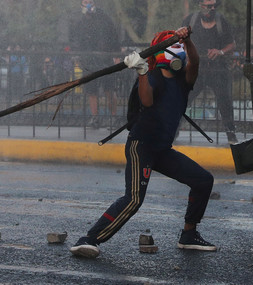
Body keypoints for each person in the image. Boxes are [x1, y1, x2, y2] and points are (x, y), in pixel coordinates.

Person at [70, 26, 217, 258]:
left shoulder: (183, 80)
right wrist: (141, 71)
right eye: (173, 45)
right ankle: (89, 239)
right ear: (159, 51)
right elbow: (147, 101)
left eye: (179, 45)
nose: (178, 48)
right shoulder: (152, 76)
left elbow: (195, 62)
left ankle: (189, 234)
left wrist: (188, 40)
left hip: (162, 149)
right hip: (142, 146)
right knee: (134, 199)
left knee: (203, 180)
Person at [182, 0, 238, 143]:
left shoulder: (221, 21)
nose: (212, 9)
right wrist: (187, 51)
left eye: (214, 6)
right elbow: (180, 38)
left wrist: (220, 52)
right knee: (184, 99)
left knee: (225, 101)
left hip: (218, 69)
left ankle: (231, 133)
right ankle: (172, 130)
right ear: (201, 6)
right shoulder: (191, 20)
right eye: (208, 6)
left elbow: (232, 44)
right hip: (196, 68)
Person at [68, 0, 121, 127]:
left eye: (90, 2)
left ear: (94, 3)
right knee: (91, 90)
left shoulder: (104, 18)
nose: (88, 4)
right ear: (81, 5)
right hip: (88, 60)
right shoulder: (79, 22)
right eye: (85, 2)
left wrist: (116, 54)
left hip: (105, 58)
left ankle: (113, 117)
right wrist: (77, 55)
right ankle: (95, 117)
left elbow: (113, 35)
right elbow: (75, 40)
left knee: (109, 89)